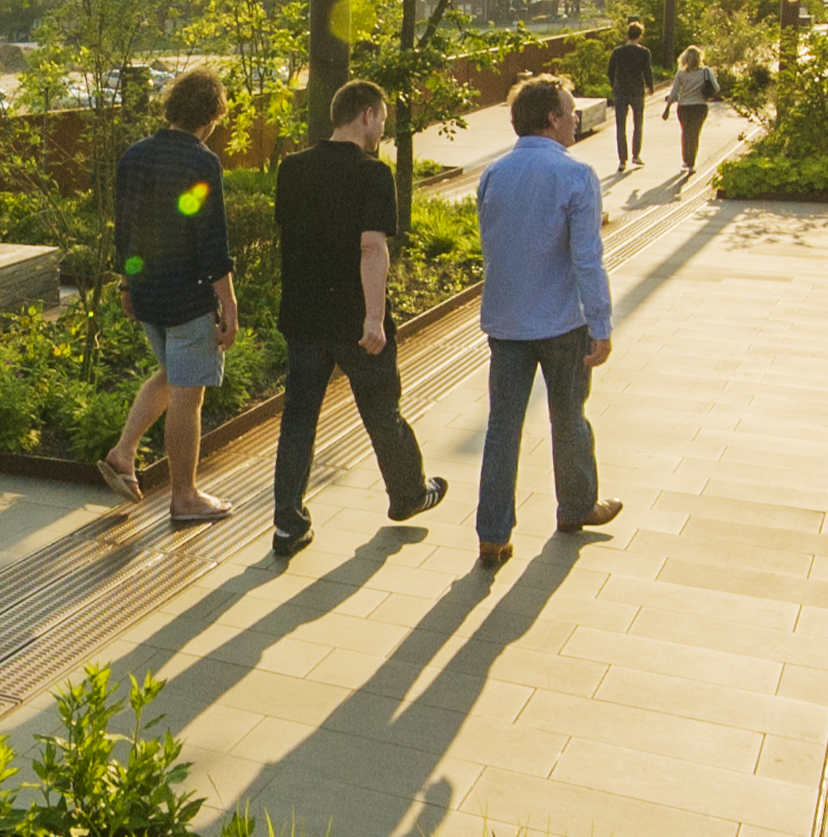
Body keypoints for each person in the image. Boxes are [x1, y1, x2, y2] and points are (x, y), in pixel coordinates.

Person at [268, 79, 442, 557]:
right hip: (352, 318)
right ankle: (407, 494)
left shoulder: (291, 170)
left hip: (303, 317)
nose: (383, 126)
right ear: (366, 115)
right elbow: (371, 247)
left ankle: (287, 523)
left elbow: (293, 242)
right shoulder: (372, 175)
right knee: (381, 408)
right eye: (382, 117)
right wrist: (374, 318)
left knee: (298, 419)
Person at [471, 74, 621, 568]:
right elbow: (586, 258)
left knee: (502, 427)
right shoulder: (576, 176)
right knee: (569, 416)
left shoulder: (494, 174)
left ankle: (493, 534)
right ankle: (576, 507)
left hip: (506, 323)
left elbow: (494, 244)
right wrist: (600, 323)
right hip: (562, 323)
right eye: (571, 110)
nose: (576, 117)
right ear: (552, 118)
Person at [96, 68, 240, 526]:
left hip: (147, 295)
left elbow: (126, 230)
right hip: (188, 298)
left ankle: (123, 453)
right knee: (187, 396)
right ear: (211, 115)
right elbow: (212, 243)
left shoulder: (134, 156)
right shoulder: (201, 162)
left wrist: (126, 282)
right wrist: (230, 305)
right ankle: (184, 497)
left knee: (168, 375)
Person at [606, 20, 654, 170]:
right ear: (640, 35)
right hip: (637, 91)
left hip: (621, 91)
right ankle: (636, 155)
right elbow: (647, 71)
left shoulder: (617, 51)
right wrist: (650, 86)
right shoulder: (644, 52)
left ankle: (622, 159)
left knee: (621, 125)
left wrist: (613, 84)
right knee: (638, 124)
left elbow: (610, 70)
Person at [670, 42, 721, 174]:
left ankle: (686, 159)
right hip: (700, 106)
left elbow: (674, 93)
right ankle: (691, 162)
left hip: (684, 107)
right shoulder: (706, 72)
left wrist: (667, 107)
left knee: (685, 133)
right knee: (695, 134)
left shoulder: (680, 74)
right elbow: (716, 88)